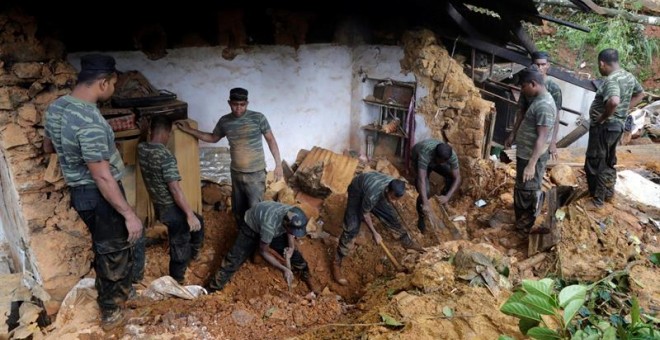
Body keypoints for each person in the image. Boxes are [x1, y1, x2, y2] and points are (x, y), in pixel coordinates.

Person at [43, 54, 142, 331]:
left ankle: (121, 291)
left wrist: (71, 153)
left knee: (108, 246)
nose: (113, 89)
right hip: (99, 195)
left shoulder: (55, 108)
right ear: (103, 83)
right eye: (113, 84)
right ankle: (111, 311)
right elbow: (102, 175)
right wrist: (128, 213)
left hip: (80, 193)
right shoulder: (90, 121)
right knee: (113, 249)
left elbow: (49, 147)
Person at [176, 88, 283, 230]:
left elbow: (271, 140)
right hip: (236, 173)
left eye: (242, 104)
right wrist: (189, 130)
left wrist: (278, 164)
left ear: (247, 103)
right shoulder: (225, 121)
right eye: (235, 104)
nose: (238, 108)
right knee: (238, 209)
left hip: (255, 174)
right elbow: (213, 138)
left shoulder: (258, 118)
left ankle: (255, 241)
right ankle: (240, 233)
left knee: (255, 209)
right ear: (229, 103)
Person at [137, 115, 204, 284]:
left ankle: (194, 253)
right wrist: (189, 214)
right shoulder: (166, 156)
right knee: (179, 241)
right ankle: (177, 278)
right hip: (169, 207)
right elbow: (175, 189)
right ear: (167, 133)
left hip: (159, 204)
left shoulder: (142, 149)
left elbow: (144, 139)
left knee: (199, 222)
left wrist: (144, 130)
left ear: (152, 130)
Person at [332, 172, 424, 286]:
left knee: (391, 217)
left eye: (396, 199)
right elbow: (366, 215)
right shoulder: (373, 195)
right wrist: (375, 233)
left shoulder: (393, 184)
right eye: (392, 198)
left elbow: (389, 200)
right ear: (387, 191)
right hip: (357, 190)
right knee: (352, 227)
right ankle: (337, 262)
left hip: (373, 190)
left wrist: (390, 200)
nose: (393, 201)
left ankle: (407, 242)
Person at [206, 201, 317, 293]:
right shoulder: (270, 226)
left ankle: (305, 274)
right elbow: (263, 251)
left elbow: (291, 231)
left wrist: (291, 247)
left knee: (295, 255)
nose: (293, 233)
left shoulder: (291, 212)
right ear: (285, 224)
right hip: (251, 226)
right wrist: (283, 269)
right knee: (234, 258)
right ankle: (212, 288)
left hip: (272, 225)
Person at [585, 48, 644, 208]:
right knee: (610, 160)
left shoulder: (612, 79)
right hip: (616, 126)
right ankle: (609, 193)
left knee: (596, 161)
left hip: (605, 127)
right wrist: (623, 111)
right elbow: (640, 94)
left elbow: (614, 101)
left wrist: (603, 117)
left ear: (602, 64)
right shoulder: (628, 76)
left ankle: (597, 201)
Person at [512, 66, 556, 233]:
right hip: (526, 154)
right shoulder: (538, 100)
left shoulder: (544, 106)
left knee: (527, 191)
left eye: (523, 86)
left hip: (532, 156)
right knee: (523, 188)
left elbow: (542, 138)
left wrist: (531, 164)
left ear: (533, 84)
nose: (522, 90)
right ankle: (521, 224)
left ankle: (524, 228)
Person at [506, 51, 563, 161]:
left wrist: (553, 142)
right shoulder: (527, 86)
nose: (540, 68)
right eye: (537, 65)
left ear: (548, 65)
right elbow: (521, 112)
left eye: (543, 64)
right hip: (528, 134)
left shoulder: (554, 88)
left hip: (543, 134)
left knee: (536, 166)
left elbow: (556, 117)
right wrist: (513, 134)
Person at [410, 139, 462, 233]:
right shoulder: (425, 153)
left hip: (434, 160)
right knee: (425, 191)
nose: (441, 163)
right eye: (439, 161)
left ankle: (442, 203)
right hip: (417, 155)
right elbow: (421, 179)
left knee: (451, 177)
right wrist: (425, 202)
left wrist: (447, 197)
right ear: (436, 156)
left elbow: (457, 178)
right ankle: (421, 219)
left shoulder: (451, 155)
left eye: (443, 161)